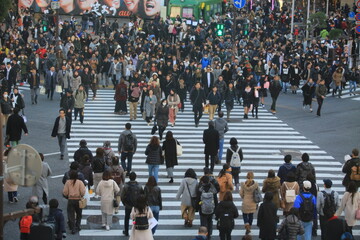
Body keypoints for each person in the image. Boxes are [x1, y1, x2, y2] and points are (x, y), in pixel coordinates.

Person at [120, 171, 144, 237]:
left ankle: (126, 231)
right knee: (135, 219)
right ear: (135, 177)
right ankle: (135, 230)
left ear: (129, 177)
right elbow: (142, 195)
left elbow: (122, 196)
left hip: (128, 205)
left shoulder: (126, 186)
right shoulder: (139, 186)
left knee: (127, 218)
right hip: (136, 205)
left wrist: (124, 203)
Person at [62, 170, 86, 234]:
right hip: (78, 199)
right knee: (79, 214)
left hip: (71, 200)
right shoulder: (80, 182)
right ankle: (78, 226)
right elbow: (83, 192)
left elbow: (65, 192)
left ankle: (73, 228)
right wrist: (81, 195)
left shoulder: (68, 182)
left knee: (71, 214)